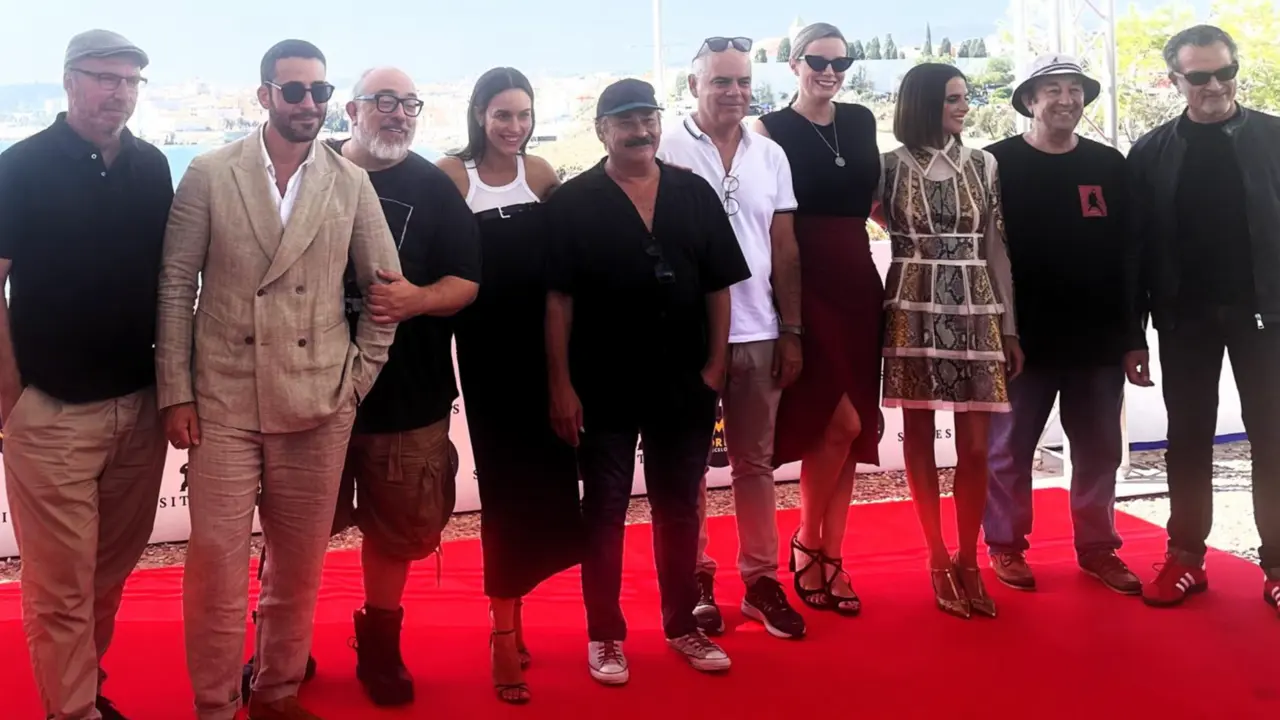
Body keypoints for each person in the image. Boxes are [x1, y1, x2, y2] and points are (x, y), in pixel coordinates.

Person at [156, 39, 401, 720]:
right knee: (215, 569)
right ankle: (212, 704)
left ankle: (277, 690)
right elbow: (177, 286)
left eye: (320, 92)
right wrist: (176, 389)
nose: (309, 104)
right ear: (264, 95)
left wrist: (358, 379)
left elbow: (385, 289)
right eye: (294, 91)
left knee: (298, 566)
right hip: (224, 399)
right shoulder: (210, 171)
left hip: (320, 399)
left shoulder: (349, 181)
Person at [546, 78, 750, 685]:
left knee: (679, 510)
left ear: (660, 122)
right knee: (604, 510)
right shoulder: (573, 201)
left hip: (684, 382)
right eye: (625, 121)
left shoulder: (693, 193)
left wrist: (715, 365)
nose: (640, 131)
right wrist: (561, 384)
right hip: (601, 383)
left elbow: (719, 284)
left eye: (648, 118)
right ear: (602, 130)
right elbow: (557, 300)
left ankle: (682, 623)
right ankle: (604, 635)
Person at [0, 29, 171, 720]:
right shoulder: (20, 168)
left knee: (105, 578)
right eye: (105, 78)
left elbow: (171, 279)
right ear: (69, 81)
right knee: (61, 589)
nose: (118, 92)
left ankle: (84, 695)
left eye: (131, 80)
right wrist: (10, 398)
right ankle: (70, 713)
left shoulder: (154, 166)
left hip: (140, 408)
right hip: (51, 412)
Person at [326, 67, 481, 706]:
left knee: (399, 534)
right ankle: (280, 646)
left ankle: (380, 648)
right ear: (353, 111)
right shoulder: (312, 173)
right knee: (292, 530)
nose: (397, 114)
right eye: (383, 102)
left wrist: (417, 300)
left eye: (408, 104)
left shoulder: (434, 188)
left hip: (408, 397)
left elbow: (467, 282)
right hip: (312, 396)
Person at [437, 67, 585, 704]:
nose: (514, 126)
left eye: (523, 114)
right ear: (478, 114)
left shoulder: (543, 172)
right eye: (502, 114)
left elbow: (568, 259)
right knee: (502, 491)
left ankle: (517, 616)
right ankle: (501, 631)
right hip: (487, 354)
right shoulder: (452, 175)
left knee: (545, 491)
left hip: (547, 347)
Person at [655, 37, 806, 640]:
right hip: (685, 339)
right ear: (694, 86)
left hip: (761, 331)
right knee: (687, 467)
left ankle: (761, 581)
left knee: (756, 465)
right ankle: (694, 579)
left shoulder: (770, 155)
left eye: (742, 81)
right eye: (721, 81)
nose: (734, 92)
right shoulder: (662, 149)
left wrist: (791, 328)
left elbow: (785, 248)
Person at [1126, 25, 1280, 611]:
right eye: (1199, 76)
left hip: (1267, 315)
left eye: (1225, 72)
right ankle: (1187, 557)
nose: (1215, 85)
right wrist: (1131, 332)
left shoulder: (1274, 136)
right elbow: (1135, 251)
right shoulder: (1150, 152)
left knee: (1274, 437)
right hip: (1183, 317)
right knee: (1186, 439)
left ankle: (1279, 564)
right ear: (1175, 81)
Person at [981, 54, 1141, 595]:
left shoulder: (1109, 164)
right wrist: (1000, 332)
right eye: (1053, 89)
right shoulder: (994, 163)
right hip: (1021, 340)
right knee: (1008, 451)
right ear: (1029, 100)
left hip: (1097, 340)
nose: (1066, 99)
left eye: (1075, 89)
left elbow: (1127, 256)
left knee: (1099, 451)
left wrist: (1132, 337)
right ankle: (1004, 547)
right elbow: (983, 255)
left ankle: (1098, 548)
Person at [879, 62, 1023, 620]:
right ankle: (936, 555)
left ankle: (970, 557)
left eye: (965, 97)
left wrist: (1009, 326)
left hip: (976, 303)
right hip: (911, 303)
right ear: (922, 104)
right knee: (917, 437)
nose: (964, 107)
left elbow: (997, 248)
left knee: (979, 446)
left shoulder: (986, 164)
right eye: (952, 99)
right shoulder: (887, 168)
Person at [754, 22, 883, 617]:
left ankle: (832, 554)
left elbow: (878, 201)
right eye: (817, 60)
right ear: (793, 63)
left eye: (841, 61)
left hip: (859, 283)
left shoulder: (860, 121)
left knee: (852, 431)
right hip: (805, 284)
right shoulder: (770, 130)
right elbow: (762, 220)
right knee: (837, 420)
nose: (829, 71)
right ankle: (809, 544)